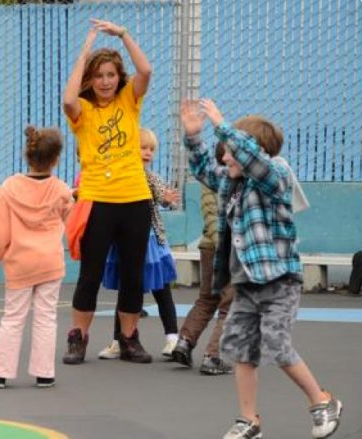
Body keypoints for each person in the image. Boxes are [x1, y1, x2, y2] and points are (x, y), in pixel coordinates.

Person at [181, 99, 342, 439]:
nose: (224, 158)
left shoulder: (276, 177)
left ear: (253, 151)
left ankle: (322, 401)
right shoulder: (232, 182)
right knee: (241, 348)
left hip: (279, 282)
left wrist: (223, 126)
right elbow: (204, 171)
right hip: (246, 285)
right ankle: (248, 419)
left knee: (276, 345)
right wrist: (195, 137)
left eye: (229, 152)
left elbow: (255, 163)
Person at [61, 19, 154, 364]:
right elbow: (69, 97)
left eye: (110, 75)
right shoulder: (82, 112)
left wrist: (124, 35)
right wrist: (86, 51)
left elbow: (145, 70)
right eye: (98, 76)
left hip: (134, 198)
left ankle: (128, 338)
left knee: (133, 272)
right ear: (91, 79)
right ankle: (78, 338)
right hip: (97, 200)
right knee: (91, 273)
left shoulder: (130, 102)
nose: (104, 82)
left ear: (119, 78)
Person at [0, 126, 72, 389]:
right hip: (50, 262)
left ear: (27, 155)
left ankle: (0, 373)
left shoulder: (9, 188)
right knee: (46, 316)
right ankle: (44, 373)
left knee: (13, 317)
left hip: (20, 264)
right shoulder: (61, 190)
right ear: (56, 159)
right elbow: (70, 220)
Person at [98, 128, 180, 361]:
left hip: (151, 240)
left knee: (161, 290)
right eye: (143, 148)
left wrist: (167, 199)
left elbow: (164, 196)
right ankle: (118, 340)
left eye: (151, 149)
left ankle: (172, 338)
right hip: (126, 241)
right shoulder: (119, 177)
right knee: (126, 291)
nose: (148, 152)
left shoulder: (150, 177)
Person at [171, 141, 234, 375]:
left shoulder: (209, 180)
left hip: (208, 247)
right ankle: (213, 356)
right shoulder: (227, 182)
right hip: (225, 249)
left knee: (206, 299)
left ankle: (185, 342)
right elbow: (214, 217)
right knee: (229, 304)